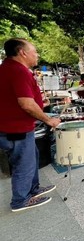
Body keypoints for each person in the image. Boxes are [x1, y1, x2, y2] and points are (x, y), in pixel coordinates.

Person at [0, 38, 61, 211]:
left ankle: (33, 189)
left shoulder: (6, 69)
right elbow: (26, 104)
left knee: (31, 156)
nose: (37, 55)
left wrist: (40, 101)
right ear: (23, 52)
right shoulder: (18, 71)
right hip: (15, 129)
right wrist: (49, 120)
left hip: (12, 127)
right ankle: (20, 200)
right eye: (34, 51)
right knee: (24, 163)